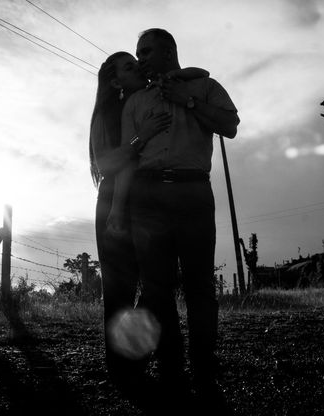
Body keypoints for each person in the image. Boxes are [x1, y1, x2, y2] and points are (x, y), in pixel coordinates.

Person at [108, 28, 239, 411]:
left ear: (169, 51)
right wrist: (118, 208)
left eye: (146, 52)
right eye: (137, 53)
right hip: (148, 198)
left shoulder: (206, 85)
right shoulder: (135, 101)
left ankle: (203, 365)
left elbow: (230, 126)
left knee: (200, 286)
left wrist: (189, 102)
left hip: (193, 192)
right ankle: (167, 366)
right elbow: (128, 160)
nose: (141, 59)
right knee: (155, 288)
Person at [88, 51, 209, 396]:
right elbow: (108, 163)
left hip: (145, 202)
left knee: (159, 284)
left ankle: (169, 361)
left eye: (137, 62)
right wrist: (142, 137)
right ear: (114, 82)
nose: (138, 67)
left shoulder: (149, 97)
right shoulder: (106, 114)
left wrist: (173, 76)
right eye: (129, 66)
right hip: (113, 203)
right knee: (119, 291)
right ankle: (121, 369)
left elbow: (199, 71)